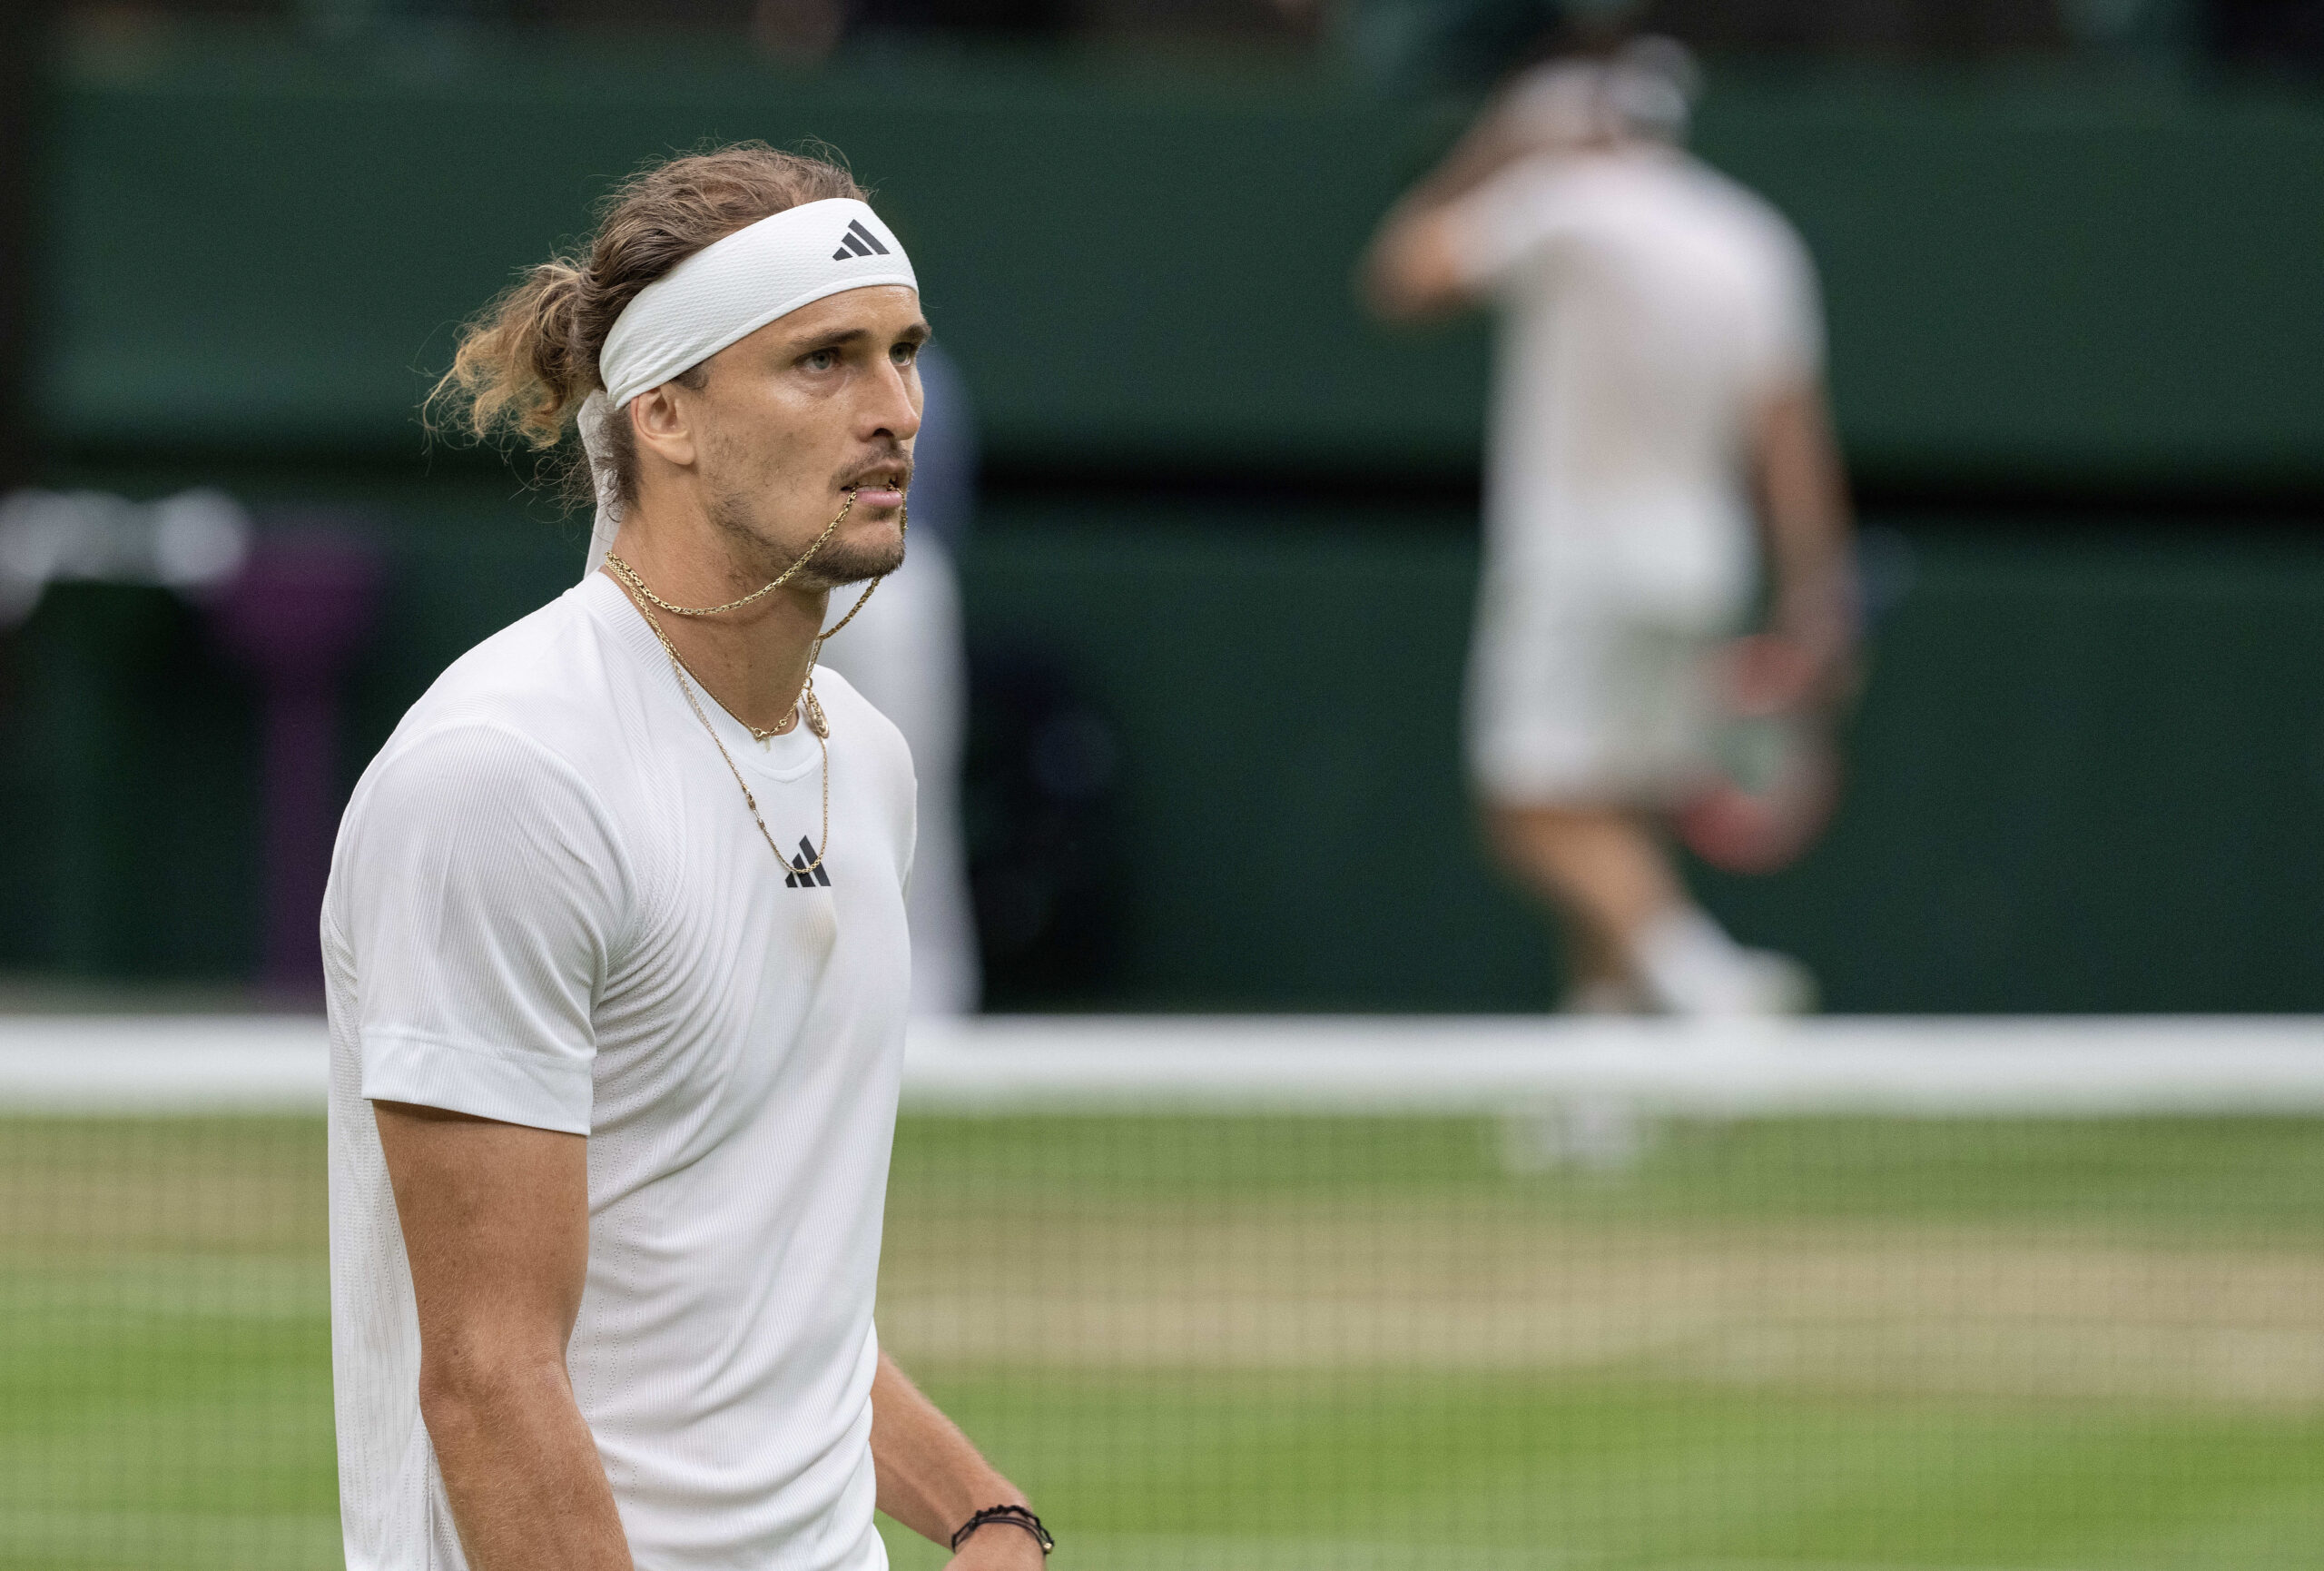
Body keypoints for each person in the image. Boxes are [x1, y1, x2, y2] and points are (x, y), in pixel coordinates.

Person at [326, 145, 1051, 1571]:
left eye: (905, 354)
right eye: (824, 362)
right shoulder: (505, 778)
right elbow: (490, 1379)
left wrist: (984, 1512)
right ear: (663, 412)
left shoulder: (868, 763)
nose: (896, 410)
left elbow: (766, 1303)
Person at [1364, 39, 1856, 1015]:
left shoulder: (1560, 206)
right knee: (1617, 821)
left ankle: (1706, 982)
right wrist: (1816, 597)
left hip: (1578, 563)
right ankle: (1598, 1095)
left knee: (1530, 815)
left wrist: (1493, 150)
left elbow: (1398, 279)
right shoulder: (1748, 238)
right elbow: (1791, 444)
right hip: (1702, 568)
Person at [813, 340, 981, 1015]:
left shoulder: (916, 359)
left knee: (906, 806)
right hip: (756, 577)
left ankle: (928, 1019)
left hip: (887, 585)